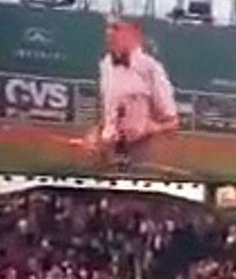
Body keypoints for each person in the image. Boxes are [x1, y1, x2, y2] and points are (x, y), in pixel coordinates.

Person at [75, 18, 178, 170]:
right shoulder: (106, 65)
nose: (109, 33)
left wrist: (151, 128)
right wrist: (93, 136)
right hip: (106, 154)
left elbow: (172, 123)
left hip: (138, 154)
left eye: (116, 28)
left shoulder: (150, 68)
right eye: (109, 28)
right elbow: (106, 115)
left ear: (134, 34)